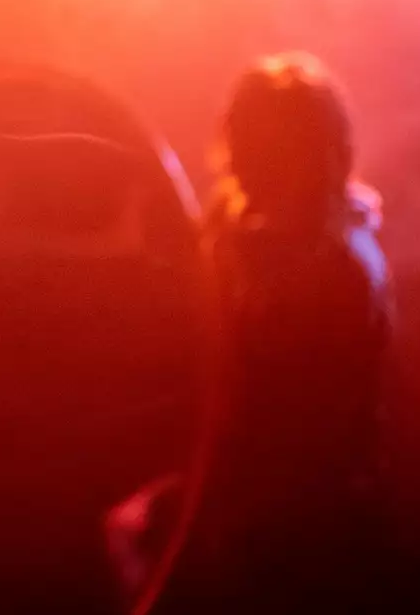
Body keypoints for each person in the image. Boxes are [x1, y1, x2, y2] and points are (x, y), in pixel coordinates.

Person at [106, 53, 394, 613]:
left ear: (312, 156)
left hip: (302, 524)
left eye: (262, 149)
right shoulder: (238, 229)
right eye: (240, 145)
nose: (241, 167)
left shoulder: (339, 267)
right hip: (241, 505)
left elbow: (304, 429)